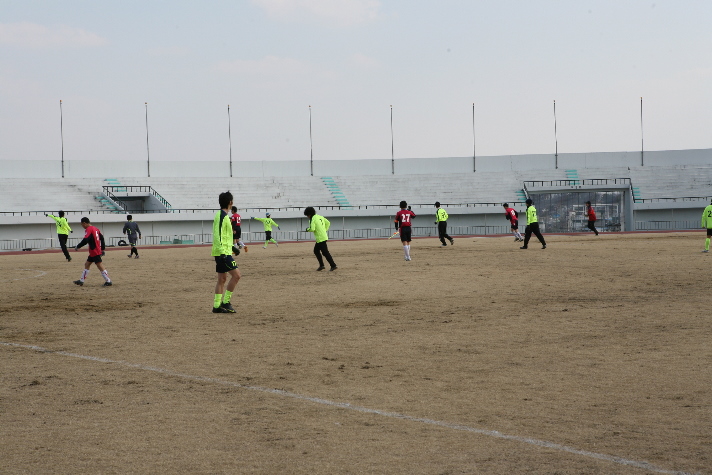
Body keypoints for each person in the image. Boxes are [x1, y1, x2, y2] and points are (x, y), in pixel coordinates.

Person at [212, 191, 241, 313]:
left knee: (222, 279)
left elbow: (224, 236)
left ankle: (216, 306)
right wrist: (223, 252)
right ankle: (226, 302)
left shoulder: (223, 215)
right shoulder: (222, 216)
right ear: (230, 202)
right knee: (236, 275)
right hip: (222, 252)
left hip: (223, 251)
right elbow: (217, 235)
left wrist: (233, 248)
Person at [73, 217, 112, 286]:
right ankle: (81, 280)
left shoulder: (89, 229)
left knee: (99, 265)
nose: (82, 226)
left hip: (94, 250)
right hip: (94, 251)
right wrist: (102, 249)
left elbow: (86, 240)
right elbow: (102, 238)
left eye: (82, 225)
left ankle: (108, 281)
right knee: (87, 264)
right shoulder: (96, 228)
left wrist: (78, 246)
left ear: (84, 223)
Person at [304, 206, 337, 271]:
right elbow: (328, 223)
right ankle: (322, 265)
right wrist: (324, 230)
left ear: (309, 214)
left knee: (325, 252)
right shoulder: (320, 216)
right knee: (316, 251)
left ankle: (333, 265)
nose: (307, 217)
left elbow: (312, 229)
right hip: (323, 236)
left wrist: (307, 229)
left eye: (307, 215)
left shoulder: (312, 219)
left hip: (320, 238)